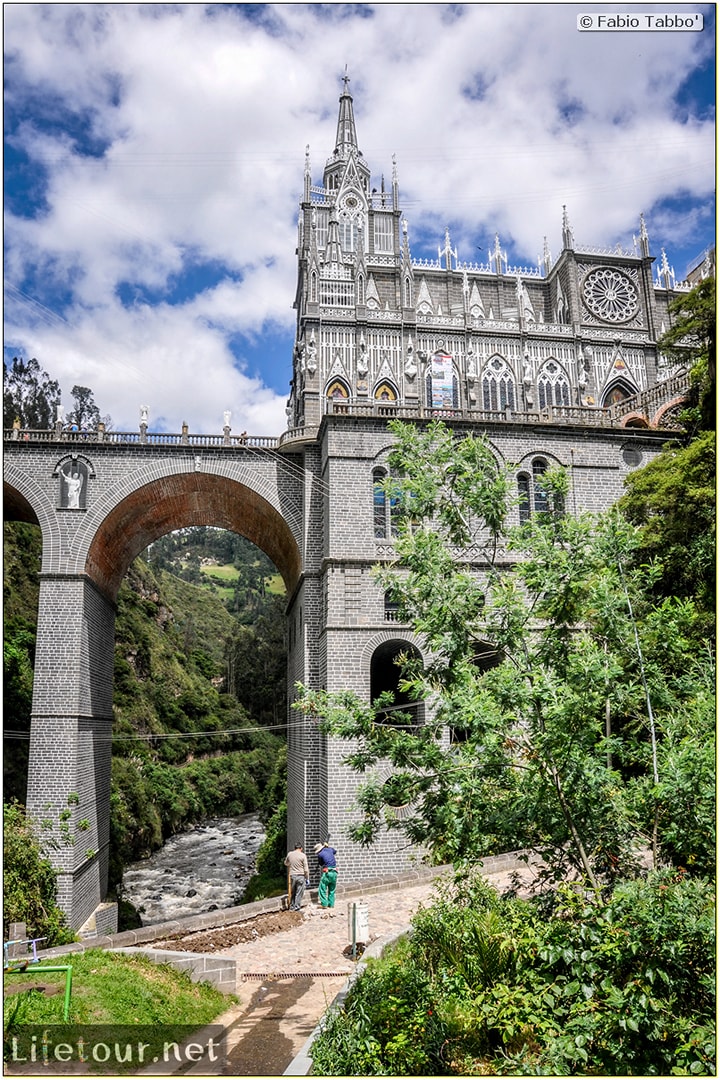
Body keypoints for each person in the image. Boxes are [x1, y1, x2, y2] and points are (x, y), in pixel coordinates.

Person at [284, 843, 310, 911]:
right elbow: (306, 869)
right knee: (299, 893)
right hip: (301, 876)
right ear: (301, 848)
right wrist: (307, 878)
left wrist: (291, 863)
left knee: (293, 892)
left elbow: (286, 863)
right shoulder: (303, 855)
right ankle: (297, 907)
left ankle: (292, 907)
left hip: (293, 876)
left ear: (295, 848)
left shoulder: (290, 854)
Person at [314, 841, 338, 909]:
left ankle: (324, 904)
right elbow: (335, 851)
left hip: (327, 872)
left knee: (322, 888)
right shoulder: (330, 849)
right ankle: (331, 904)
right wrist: (328, 847)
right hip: (335, 872)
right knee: (332, 889)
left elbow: (321, 864)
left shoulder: (320, 854)